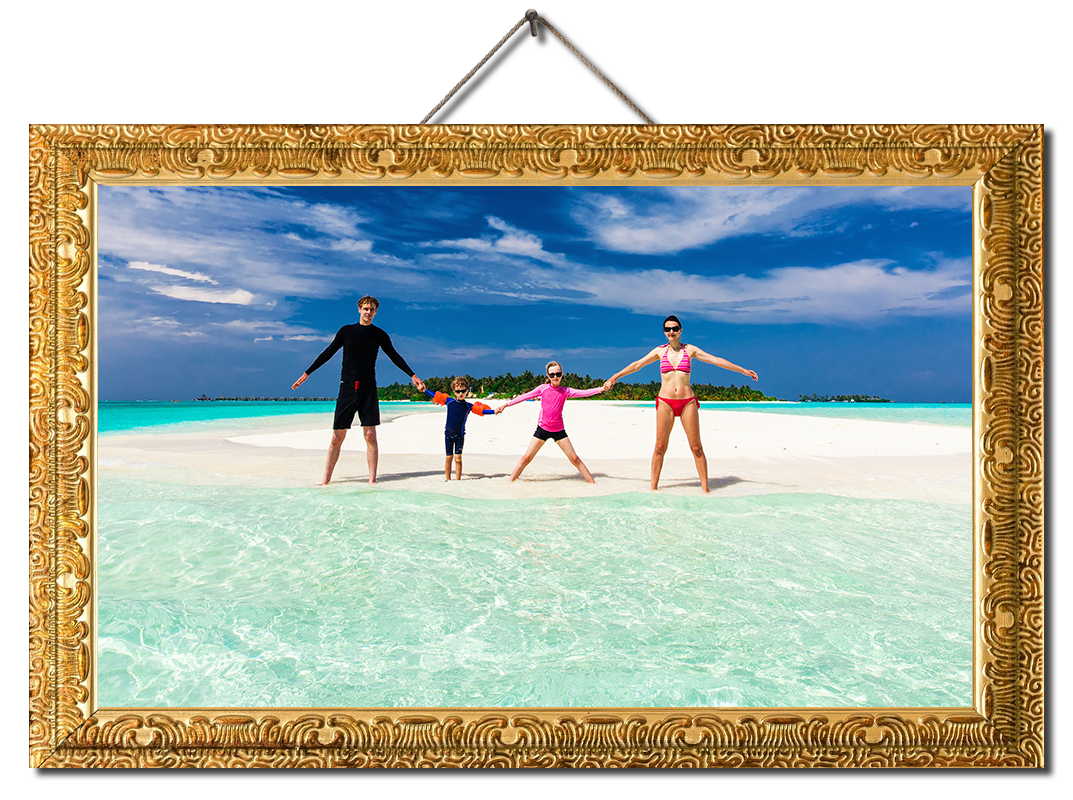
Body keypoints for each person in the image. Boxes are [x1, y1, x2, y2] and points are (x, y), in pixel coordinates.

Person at [603, 315, 759, 493]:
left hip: (687, 403)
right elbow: (636, 364)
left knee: (696, 447)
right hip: (665, 402)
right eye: (668, 329)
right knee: (660, 447)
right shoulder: (659, 352)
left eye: (675, 328)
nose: (671, 332)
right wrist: (615, 377)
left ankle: (706, 491)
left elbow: (715, 360)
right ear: (664, 332)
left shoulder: (690, 350)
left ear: (680, 330)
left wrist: (743, 371)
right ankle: (653, 489)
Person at [291, 296, 425, 485]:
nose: (368, 312)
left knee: (370, 434)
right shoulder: (346, 331)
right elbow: (328, 352)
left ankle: (372, 481)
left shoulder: (380, 335)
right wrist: (308, 373)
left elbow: (395, 356)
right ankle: (325, 480)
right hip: (347, 387)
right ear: (359, 310)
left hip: (368, 388)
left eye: (371, 309)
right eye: (365, 309)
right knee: (337, 437)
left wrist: (413, 376)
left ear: (376, 312)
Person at [495, 361, 605, 483]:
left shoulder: (566, 391)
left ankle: (593, 484)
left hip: (559, 431)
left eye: (558, 374)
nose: (555, 377)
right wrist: (506, 404)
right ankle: (509, 483)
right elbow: (524, 396)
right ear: (548, 376)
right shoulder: (542, 389)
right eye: (552, 375)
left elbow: (584, 393)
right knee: (526, 458)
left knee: (575, 459)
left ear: (562, 375)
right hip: (542, 430)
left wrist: (601, 389)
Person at [424, 376, 495, 481]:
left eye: (463, 391)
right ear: (454, 392)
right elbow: (436, 396)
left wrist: (494, 411)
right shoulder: (449, 402)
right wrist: (425, 390)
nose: (460, 393)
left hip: (460, 436)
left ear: (467, 391)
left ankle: (458, 480)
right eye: (458, 391)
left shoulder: (468, 406)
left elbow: (481, 411)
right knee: (449, 458)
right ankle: (448, 479)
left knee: (458, 459)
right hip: (448, 435)